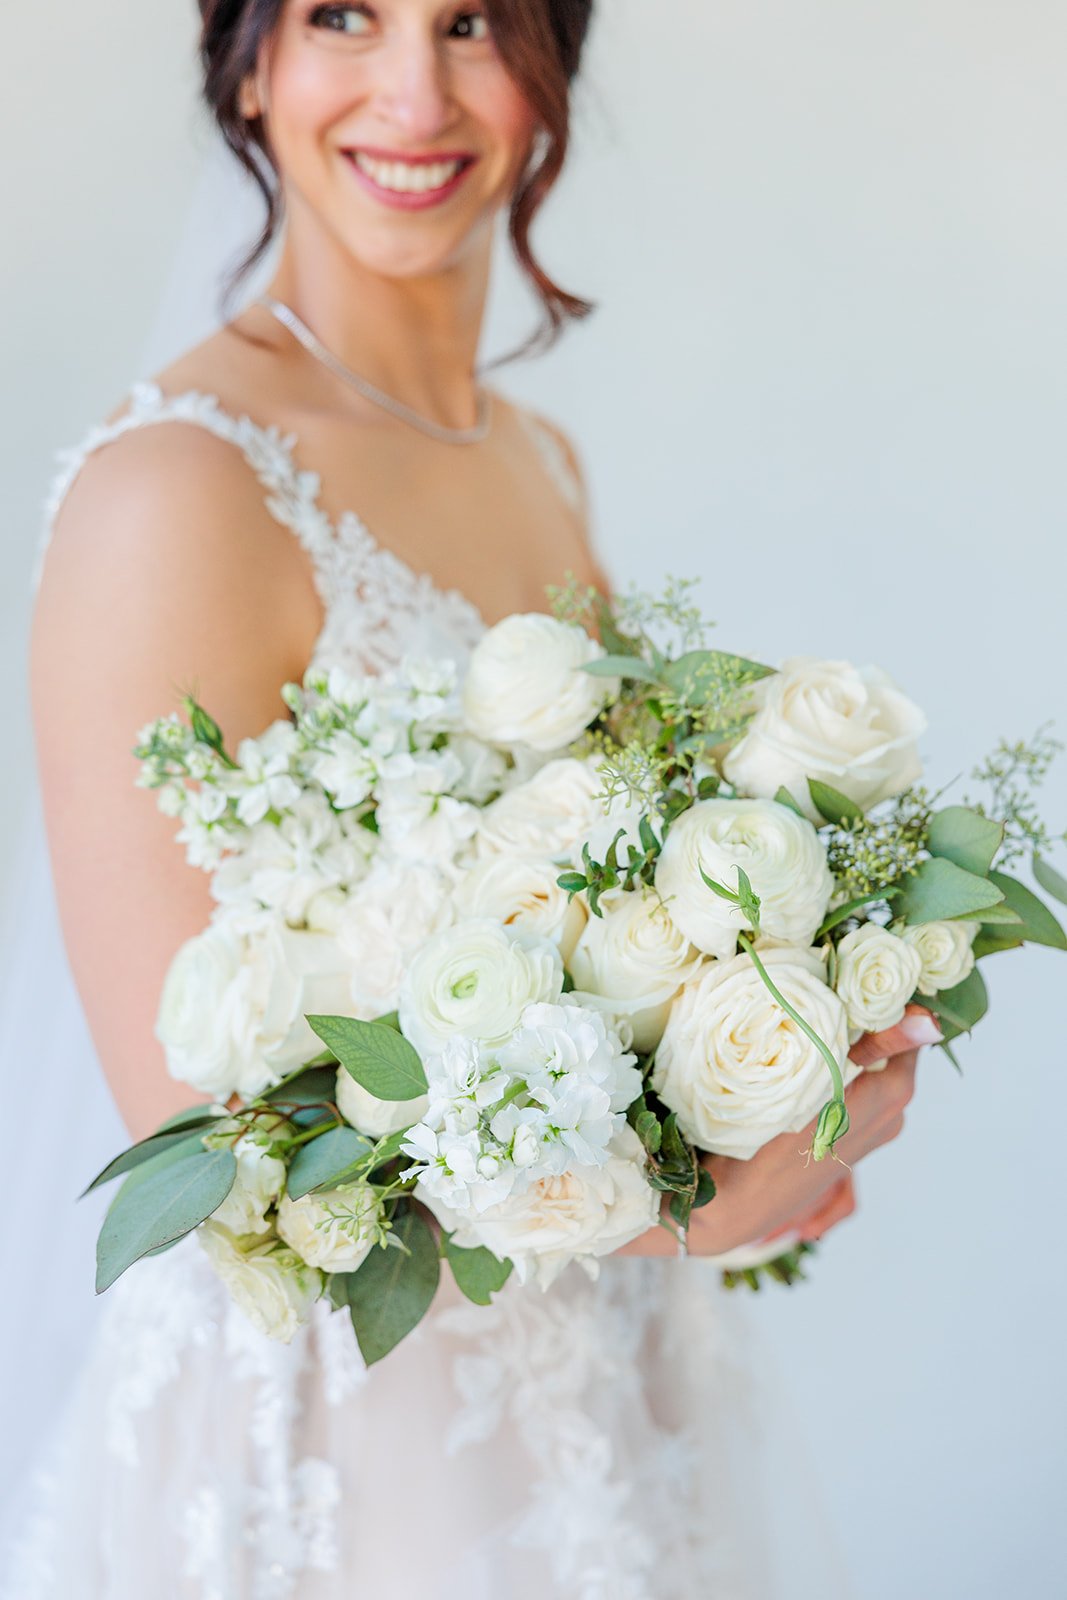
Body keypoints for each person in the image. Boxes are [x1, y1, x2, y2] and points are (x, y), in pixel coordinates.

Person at [8, 1, 937, 1593]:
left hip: (604, 1407)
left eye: (471, 23)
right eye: (342, 16)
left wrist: (758, 1065)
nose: (413, 94)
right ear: (249, 60)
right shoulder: (172, 492)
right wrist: (681, 1212)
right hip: (344, 1448)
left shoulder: (537, 456)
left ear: (550, 63)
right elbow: (202, 1157)